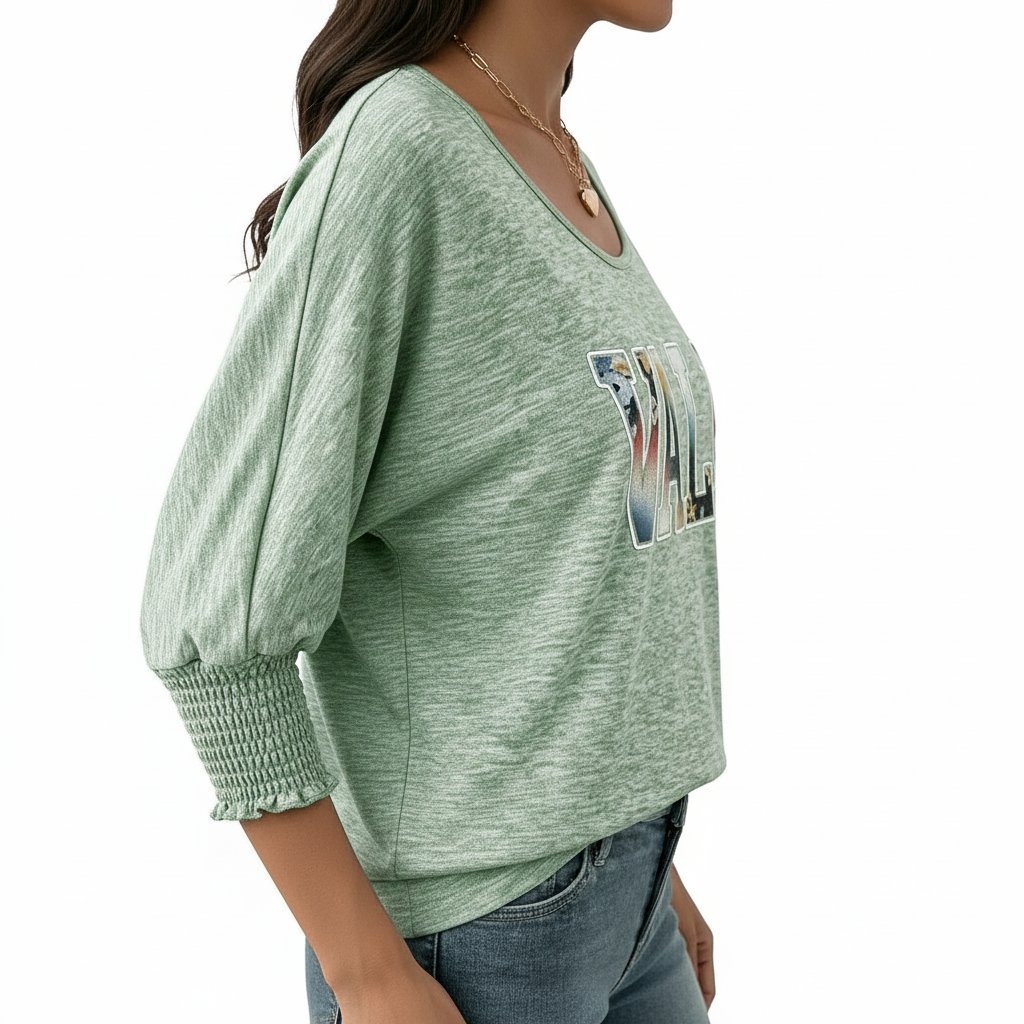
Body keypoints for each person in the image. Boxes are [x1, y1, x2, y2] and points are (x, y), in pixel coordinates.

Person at [139, 0, 726, 1021]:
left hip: (628, 891)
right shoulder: (401, 149)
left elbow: (574, 554)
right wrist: (365, 971)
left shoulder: (554, 152)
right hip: (479, 939)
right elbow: (210, 618)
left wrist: (638, 846)